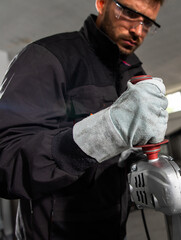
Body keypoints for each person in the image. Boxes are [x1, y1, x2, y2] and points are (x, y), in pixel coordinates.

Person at [0, 0, 167, 239]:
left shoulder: (135, 73)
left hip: (113, 230)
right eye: (130, 13)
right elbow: (6, 162)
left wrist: (137, 157)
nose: (138, 31)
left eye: (147, 22)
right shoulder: (47, 58)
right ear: (101, 3)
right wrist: (103, 135)